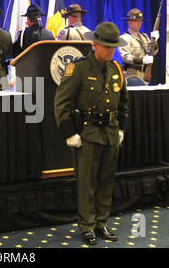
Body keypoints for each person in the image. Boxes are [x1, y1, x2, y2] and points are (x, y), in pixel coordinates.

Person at [54, 21, 129, 245]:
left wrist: (122, 129)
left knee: (106, 181)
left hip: (111, 134)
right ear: (95, 45)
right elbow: (61, 103)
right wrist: (69, 133)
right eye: (106, 46)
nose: (110, 50)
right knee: (87, 183)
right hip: (87, 134)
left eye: (113, 46)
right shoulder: (78, 68)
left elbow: (124, 104)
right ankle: (87, 225)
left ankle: (102, 223)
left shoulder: (116, 69)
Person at [118, 9, 159, 82]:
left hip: (143, 73)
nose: (139, 23)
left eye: (140, 21)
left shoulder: (144, 36)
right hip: (131, 75)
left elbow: (154, 51)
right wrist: (143, 60)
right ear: (129, 22)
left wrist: (155, 41)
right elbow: (126, 57)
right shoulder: (124, 38)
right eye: (136, 21)